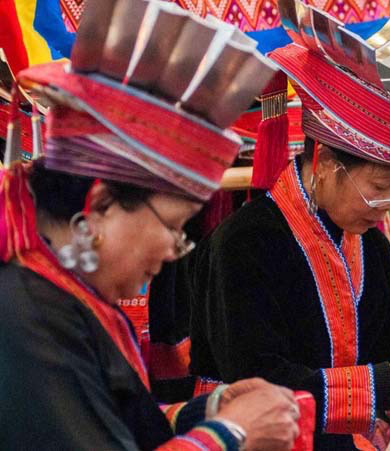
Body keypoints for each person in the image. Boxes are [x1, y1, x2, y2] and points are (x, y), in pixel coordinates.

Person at [186, 1, 390, 448]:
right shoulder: (242, 244)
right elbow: (257, 388)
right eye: (380, 186)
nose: (389, 205)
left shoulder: (373, 248)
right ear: (324, 162)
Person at [0, 0, 300, 449]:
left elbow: (111, 420)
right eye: (173, 226)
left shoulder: (63, 289)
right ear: (101, 204)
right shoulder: (31, 314)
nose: (173, 250)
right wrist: (231, 433)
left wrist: (208, 410)